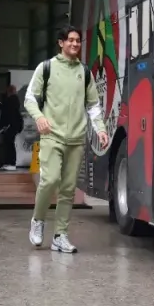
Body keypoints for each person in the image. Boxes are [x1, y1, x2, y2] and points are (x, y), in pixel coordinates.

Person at [25, 26, 108, 253]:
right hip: (52, 135)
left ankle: (60, 235)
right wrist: (39, 117)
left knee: (68, 189)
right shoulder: (46, 68)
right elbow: (30, 98)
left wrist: (100, 129)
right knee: (50, 180)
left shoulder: (85, 72)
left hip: (76, 139)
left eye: (78, 40)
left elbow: (93, 105)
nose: (74, 44)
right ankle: (38, 220)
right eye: (70, 40)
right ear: (61, 43)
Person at [0, 84, 23, 171]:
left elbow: (9, 114)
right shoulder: (13, 100)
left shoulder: (12, 100)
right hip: (12, 125)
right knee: (8, 143)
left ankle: (12, 163)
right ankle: (8, 162)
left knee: (9, 143)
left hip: (11, 125)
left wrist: (6, 125)